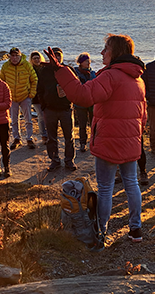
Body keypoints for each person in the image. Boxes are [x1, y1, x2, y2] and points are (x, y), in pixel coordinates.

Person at [44, 34, 146, 247]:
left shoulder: (110, 77)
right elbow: (142, 115)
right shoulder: (138, 79)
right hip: (131, 141)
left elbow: (82, 95)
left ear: (115, 52)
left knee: (106, 187)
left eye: (105, 49)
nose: (101, 53)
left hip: (108, 141)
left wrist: (60, 69)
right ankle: (135, 228)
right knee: (132, 183)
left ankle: (102, 231)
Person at [38, 47, 76, 171]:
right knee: (51, 137)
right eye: (54, 55)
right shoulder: (44, 71)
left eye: (59, 55)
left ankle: (69, 160)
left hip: (65, 108)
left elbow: (76, 86)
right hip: (50, 109)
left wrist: (70, 101)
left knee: (69, 136)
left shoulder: (67, 69)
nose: (57, 58)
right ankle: (54, 160)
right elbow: (40, 89)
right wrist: (43, 105)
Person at [0, 47, 38, 150]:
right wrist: (5, 96)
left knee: (28, 119)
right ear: (10, 56)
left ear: (20, 56)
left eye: (16, 55)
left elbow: (34, 79)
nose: (15, 57)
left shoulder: (26, 65)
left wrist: (32, 93)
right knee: (14, 120)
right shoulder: (5, 66)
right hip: (12, 98)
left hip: (25, 96)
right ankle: (17, 139)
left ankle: (29, 138)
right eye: (13, 55)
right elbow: (1, 81)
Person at [74, 52, 96, 153]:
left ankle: (93, 143)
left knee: (93, 124)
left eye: (89, 61)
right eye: (86, 61)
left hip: (91, 102)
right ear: (81, 62)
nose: (89, 62)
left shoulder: (92, 73)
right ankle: (82, 143)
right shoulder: (76, 73)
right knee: (82, 124)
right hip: (80, 103)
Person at [30, 51, 48, 145]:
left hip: (46, 96)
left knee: (48, 115)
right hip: (36, 96)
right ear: (31, 60)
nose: (37, 60)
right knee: (41, 116)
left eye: (38, 58)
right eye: (34, 59)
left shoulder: (44, 69)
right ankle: (44, 135)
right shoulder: (30, 70)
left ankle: (49, 134)